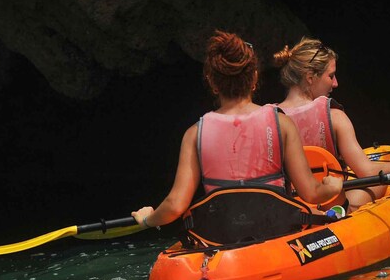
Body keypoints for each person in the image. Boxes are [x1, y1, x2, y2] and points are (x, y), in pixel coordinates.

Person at [132, 31, 343, 230]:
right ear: (254, 79)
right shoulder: (281, 123)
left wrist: (148, 219)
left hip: (224, 239)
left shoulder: (194, 134)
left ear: (212, 83)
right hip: (276, 232)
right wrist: (332, 187)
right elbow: (311, 193)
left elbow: (175, 206)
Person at [272, 37, 390, 210]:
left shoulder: (269, 119)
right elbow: (366, 172)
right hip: (331, 205)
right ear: (310, 77)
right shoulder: (334, 116)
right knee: (379, 182)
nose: (335, 83)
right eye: (330, 76)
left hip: (290, 208)